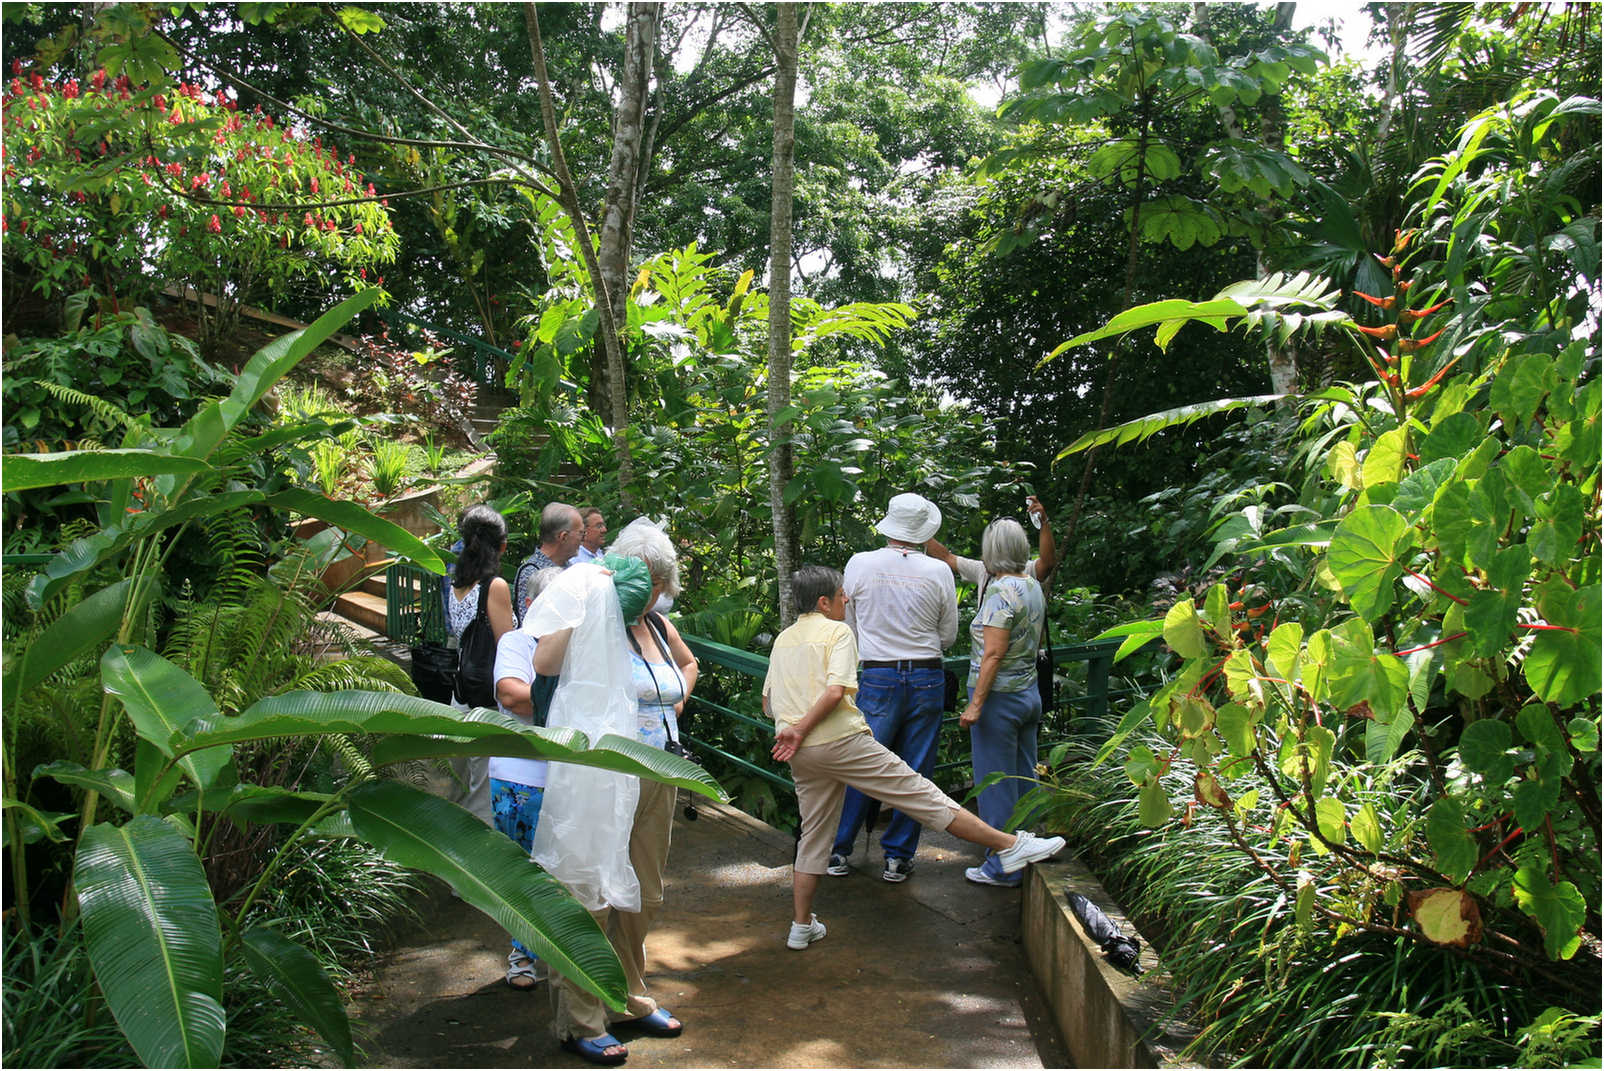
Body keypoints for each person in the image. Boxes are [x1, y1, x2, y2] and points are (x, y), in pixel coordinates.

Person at [767, 565, 1066, 948]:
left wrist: (794, 730)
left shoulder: (782, 640)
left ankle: (801, 926)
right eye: (842, 595)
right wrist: (805, 728)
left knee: (813, 837)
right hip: (838, 740)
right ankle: (1011, 847)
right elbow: (835, 691)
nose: (847, 600)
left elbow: (768, 701)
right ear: (824, 602)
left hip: (801, 752)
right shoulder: (838, 631)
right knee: (923, 795)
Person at [531, 519, 698, 1066]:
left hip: (660, 774)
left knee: (643, 895)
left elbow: (687, 668)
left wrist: (674, 703)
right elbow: (544, 664)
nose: (647, 594)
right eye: (639, 581)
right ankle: (581, 1018)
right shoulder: (594, 618)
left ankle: (628, 994)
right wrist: (581, 597)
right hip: (602, 774)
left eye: (656, 585)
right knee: (589, 891)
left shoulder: (656, 626)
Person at [828, 492, 958, 883]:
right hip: (926, 675)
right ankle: (898, 858)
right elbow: (948, 635)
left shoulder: (860, 564)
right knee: (916, 770)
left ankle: (837, 850)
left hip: (878, 675)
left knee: (862, 763)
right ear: (922, 531)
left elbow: (847, 624)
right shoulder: (939, 571)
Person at [956, 520, 1046, 888]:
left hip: (999, 701)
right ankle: (1029, 846)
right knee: (1025, 778)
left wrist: (976, 705)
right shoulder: (1032, 585)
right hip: (1028, 694)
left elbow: (993, 654)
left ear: (992, 552)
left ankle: (1001, 866)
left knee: (995, 785)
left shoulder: (999, 591)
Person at [490, 566, 563, 990]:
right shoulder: (516, 643)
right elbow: (512, 696)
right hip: (519, 778)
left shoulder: (578, 648)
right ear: (531, 606)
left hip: (567, 774)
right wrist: (570, 702)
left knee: (565, 869)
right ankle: (522, 954)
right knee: (523, 871)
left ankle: (562, 950)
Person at [445, 504, 516, 824]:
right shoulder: (495, 586)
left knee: (460, 772)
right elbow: (507, 645)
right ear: (501, 545)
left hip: (461, 688)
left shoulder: (457, 584)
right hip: (487, 695)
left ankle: (451, 830)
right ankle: (475, 846)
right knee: (484, 777)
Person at [926, 494, 1058, 600]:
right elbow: (946, 557)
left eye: (986, 552)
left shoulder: (1025, 572)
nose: (982, 557)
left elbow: (1048, 563)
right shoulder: (982, 571)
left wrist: (1044, 522)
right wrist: (917, 532)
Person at [513, 502, 584, 625]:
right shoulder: (532, 572)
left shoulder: (570, 568)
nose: (583, 539)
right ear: (563, 537)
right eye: (581, 533)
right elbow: (528, 624)